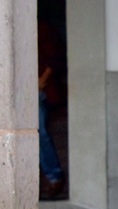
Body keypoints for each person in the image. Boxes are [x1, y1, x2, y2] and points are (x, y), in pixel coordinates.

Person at [38, 21, 65, 199]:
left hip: (38, 89)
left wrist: (40, 82)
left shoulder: (42, 29)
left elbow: (54, 60)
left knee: (38, 131)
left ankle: (54, 177)